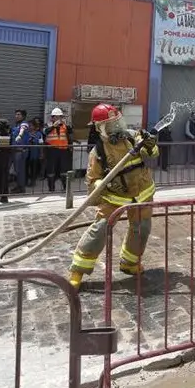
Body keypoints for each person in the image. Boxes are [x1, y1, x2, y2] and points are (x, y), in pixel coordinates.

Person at [69, 104, 160, 289]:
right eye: (109, 127)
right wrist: (103, 184)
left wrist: (151, 145)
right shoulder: (99, 152)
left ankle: (129, 263)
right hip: (114, 199)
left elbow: (152, 154)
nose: (115, 129)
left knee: (141, 229)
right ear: (99, 129)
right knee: (99, 231)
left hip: (142, 194)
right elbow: (92, 180)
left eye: (117, 124)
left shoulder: (134, 138)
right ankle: (77, 270)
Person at [43, 108, 73, 192]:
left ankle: (65, 187)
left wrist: (70, 147)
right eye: (56, 117)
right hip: (52, 150)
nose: (58, 119)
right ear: (52, 118)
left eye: (60, 117)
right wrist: (53, 126)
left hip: (63, 150)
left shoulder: (65, 126)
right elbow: (45, 132)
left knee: (64, 170)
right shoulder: (47, 125)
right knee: (51, 170)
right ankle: (51, 188)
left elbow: (69, 137)